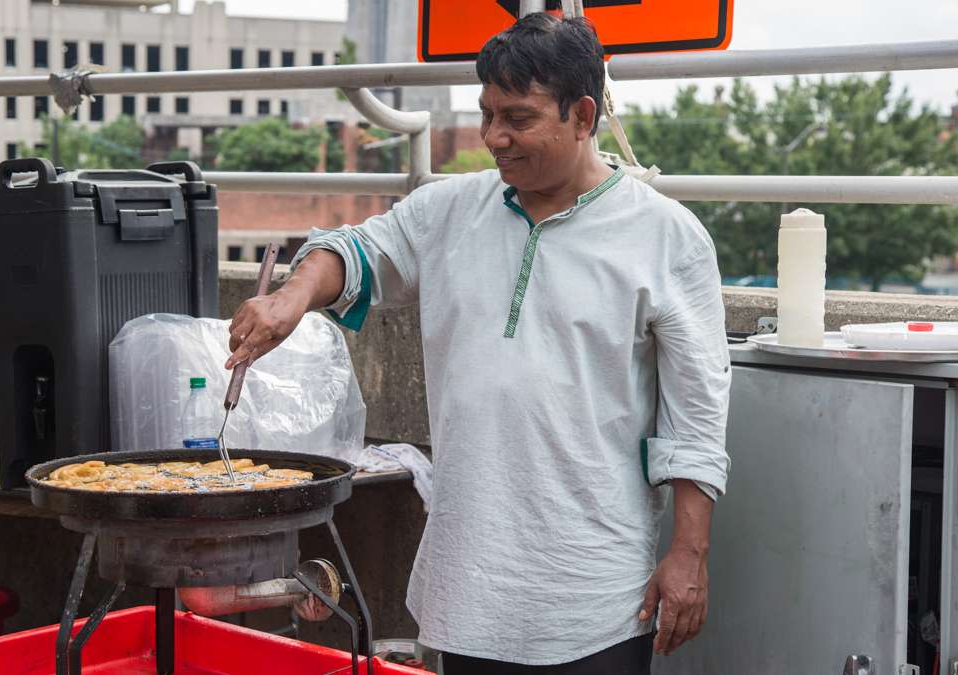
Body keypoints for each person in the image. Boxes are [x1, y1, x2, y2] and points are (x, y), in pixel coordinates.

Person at [225, 13, 731, 675]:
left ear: (582, 115)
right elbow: (352, 250)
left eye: (517, 118)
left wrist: (688, 556)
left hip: (595, 594)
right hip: (470, 585)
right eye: (487, 114)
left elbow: (696, 418)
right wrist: (291, 298)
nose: (494, 137)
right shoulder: (449, 210)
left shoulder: (668, 237)